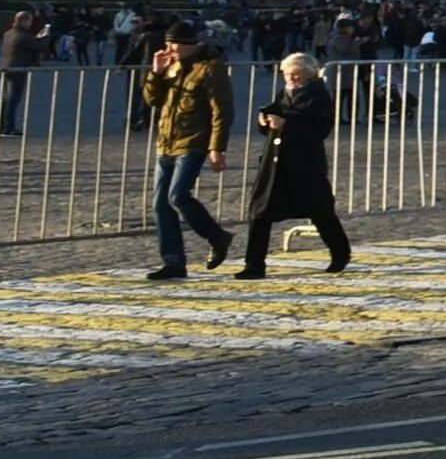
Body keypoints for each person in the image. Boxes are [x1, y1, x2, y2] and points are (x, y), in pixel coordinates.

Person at [236, 52, 350, 278]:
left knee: (320, 210)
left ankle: (340, 252)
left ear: (309, 74)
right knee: (259, 211)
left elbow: (319, 129)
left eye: (295, 74)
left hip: (305, 164)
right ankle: (254, 264)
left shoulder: (319, 96)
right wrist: (265, 120)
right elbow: (277, 113)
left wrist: (287, 124)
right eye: (286, 74)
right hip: (275, 161)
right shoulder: (285, 92)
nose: (290, 78)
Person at [142, 21, 234, 279]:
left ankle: (218, 237)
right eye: (167, 43)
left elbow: (221, 110)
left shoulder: (211, 67)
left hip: (194, 141)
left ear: (190, 45)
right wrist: (156, 73)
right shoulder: (170, 66)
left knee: (178, 196)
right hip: (166, 142)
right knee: (161, 205)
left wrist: (217, 148)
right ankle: (173, 261)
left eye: (174, 44)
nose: (169, 48)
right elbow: (153, 100)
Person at [0, 11, 45, 136]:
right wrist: (44, 37)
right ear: (24, 21)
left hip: (4, 67)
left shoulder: (8, 33)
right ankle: (8, 126)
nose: (30, 24)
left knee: (5, 99)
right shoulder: (24, 36)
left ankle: (0, 125)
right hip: (17, 69)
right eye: (29, 21)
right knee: (13, 99)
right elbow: (39, 47)